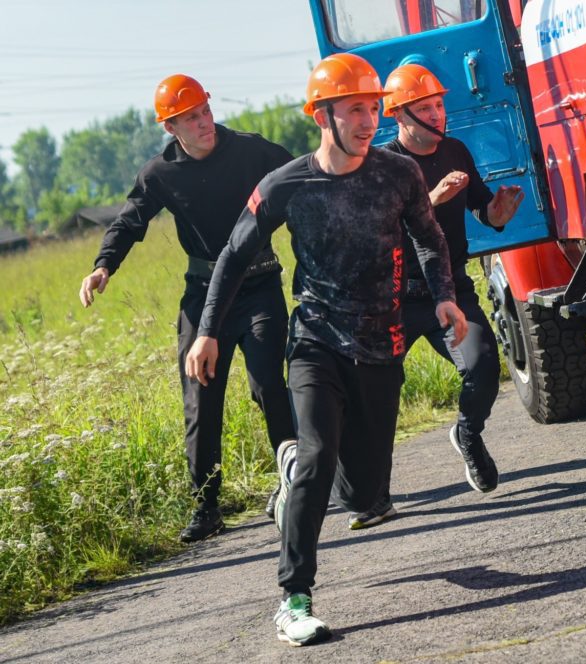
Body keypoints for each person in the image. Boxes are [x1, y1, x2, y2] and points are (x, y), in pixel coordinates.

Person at [184, 53, 467, 647]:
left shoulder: (397, 175)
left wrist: (443, 296)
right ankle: (293, 598)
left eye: (373, 109)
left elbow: (430, 236)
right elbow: (233, 256)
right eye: (355, 111)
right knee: (315, 457)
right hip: (315, 340)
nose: (370, 121)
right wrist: (208, 329)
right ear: (322, 117)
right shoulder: (285, 184)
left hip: (381, 343)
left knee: (366, 493)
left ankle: (319, 480)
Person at [78, 74, 296, 544]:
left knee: (268, 386)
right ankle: (206, 506)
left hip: (258, 286)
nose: (205, 123)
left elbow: (303, 175)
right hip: (202, 297)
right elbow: (130, 221)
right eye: (191, 118)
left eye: (205, 111)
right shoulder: (160, 173)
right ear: (171, 128)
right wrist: (103, 266)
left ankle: (295, 482)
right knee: (201, 398)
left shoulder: (251, 149)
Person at [341, 63, 525, 530]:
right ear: (398, 116)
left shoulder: (456, 150)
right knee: (380, 397)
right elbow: (377, 231)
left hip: (451, 287)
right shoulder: (380, 167)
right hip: (395, 298)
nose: (438, 114)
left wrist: (496, 212)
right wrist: (431, 201)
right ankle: (373, 496)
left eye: (439, 104)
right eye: (425, 108)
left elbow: (483, 207)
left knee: (484, 365)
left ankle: (467, 433)